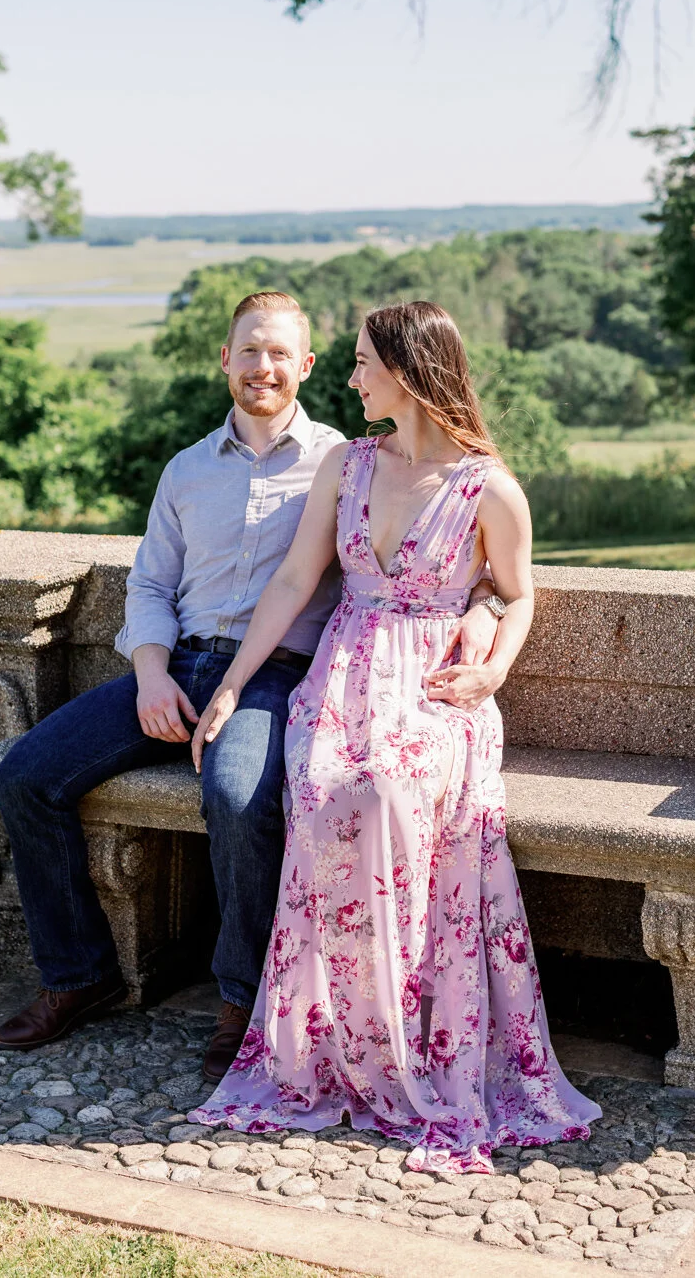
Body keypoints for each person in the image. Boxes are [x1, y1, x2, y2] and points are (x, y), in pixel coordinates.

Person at [0, 291, 500, 1082]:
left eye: (279, 353)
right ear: (225, 360)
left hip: (274, 676)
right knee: (25, 775)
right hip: (176, 666)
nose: (263, 366)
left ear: (306, 365)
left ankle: (242, 1003)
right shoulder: (186, 471)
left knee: (236, 798)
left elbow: (442, 548)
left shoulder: (346, 459)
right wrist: (151, 673)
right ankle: (78, 975)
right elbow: (149, 586)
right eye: (248, 351)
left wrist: (483, 608)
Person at [186, 300, 601, 1169]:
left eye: (364, 363)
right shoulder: (349, 462)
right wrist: (230, 686)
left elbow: (516, 593)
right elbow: (298, 578)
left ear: (408, 373)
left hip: (435, 687)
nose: (350, 378)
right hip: (341, 677)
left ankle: (413, 1043)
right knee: (329, 783)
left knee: (390, 792)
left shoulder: (491, 489)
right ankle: (332, 1046)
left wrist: (491, 667)